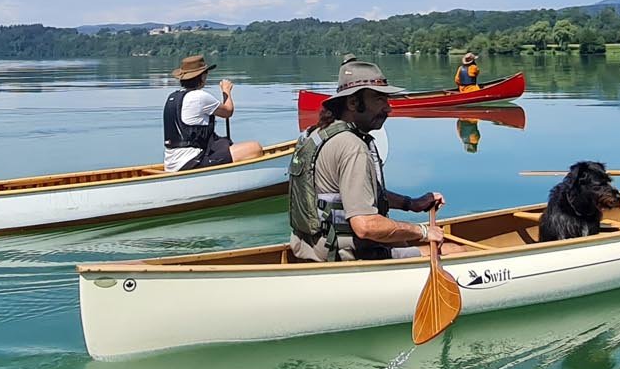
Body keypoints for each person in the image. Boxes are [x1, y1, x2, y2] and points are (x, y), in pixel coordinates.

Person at [287, 57, 466, 262]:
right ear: (353, 102)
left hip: (310, 248)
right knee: (457, 252)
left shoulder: (317, 133)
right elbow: (365, 226)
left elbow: (355, 195)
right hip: (340, 255)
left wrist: (411, 203)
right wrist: (423, 232)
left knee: (400, 240)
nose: (388, 108)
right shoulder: (352, 147)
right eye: (379, 99)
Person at [163, 55, 265, 172]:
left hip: (171, 163)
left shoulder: (172, 97)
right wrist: (226, 92)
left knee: (224, 142)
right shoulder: (199, 96)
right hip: (192, 161)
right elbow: (228, 111)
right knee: (255, 148)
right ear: (202, 76)